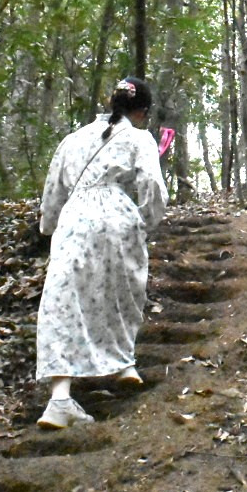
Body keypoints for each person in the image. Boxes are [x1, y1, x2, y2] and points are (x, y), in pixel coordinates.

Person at [34, 76, 169, 429]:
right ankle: (125, 364)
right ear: (142, 111)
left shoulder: (72, 140)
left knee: (65, 301)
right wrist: (148, 219)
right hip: (118, 218)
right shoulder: (140, 138)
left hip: (74, 218)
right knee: (120, 292)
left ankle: (60, 398)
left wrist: (49, 227)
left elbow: (53, 193)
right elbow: (152, 186)